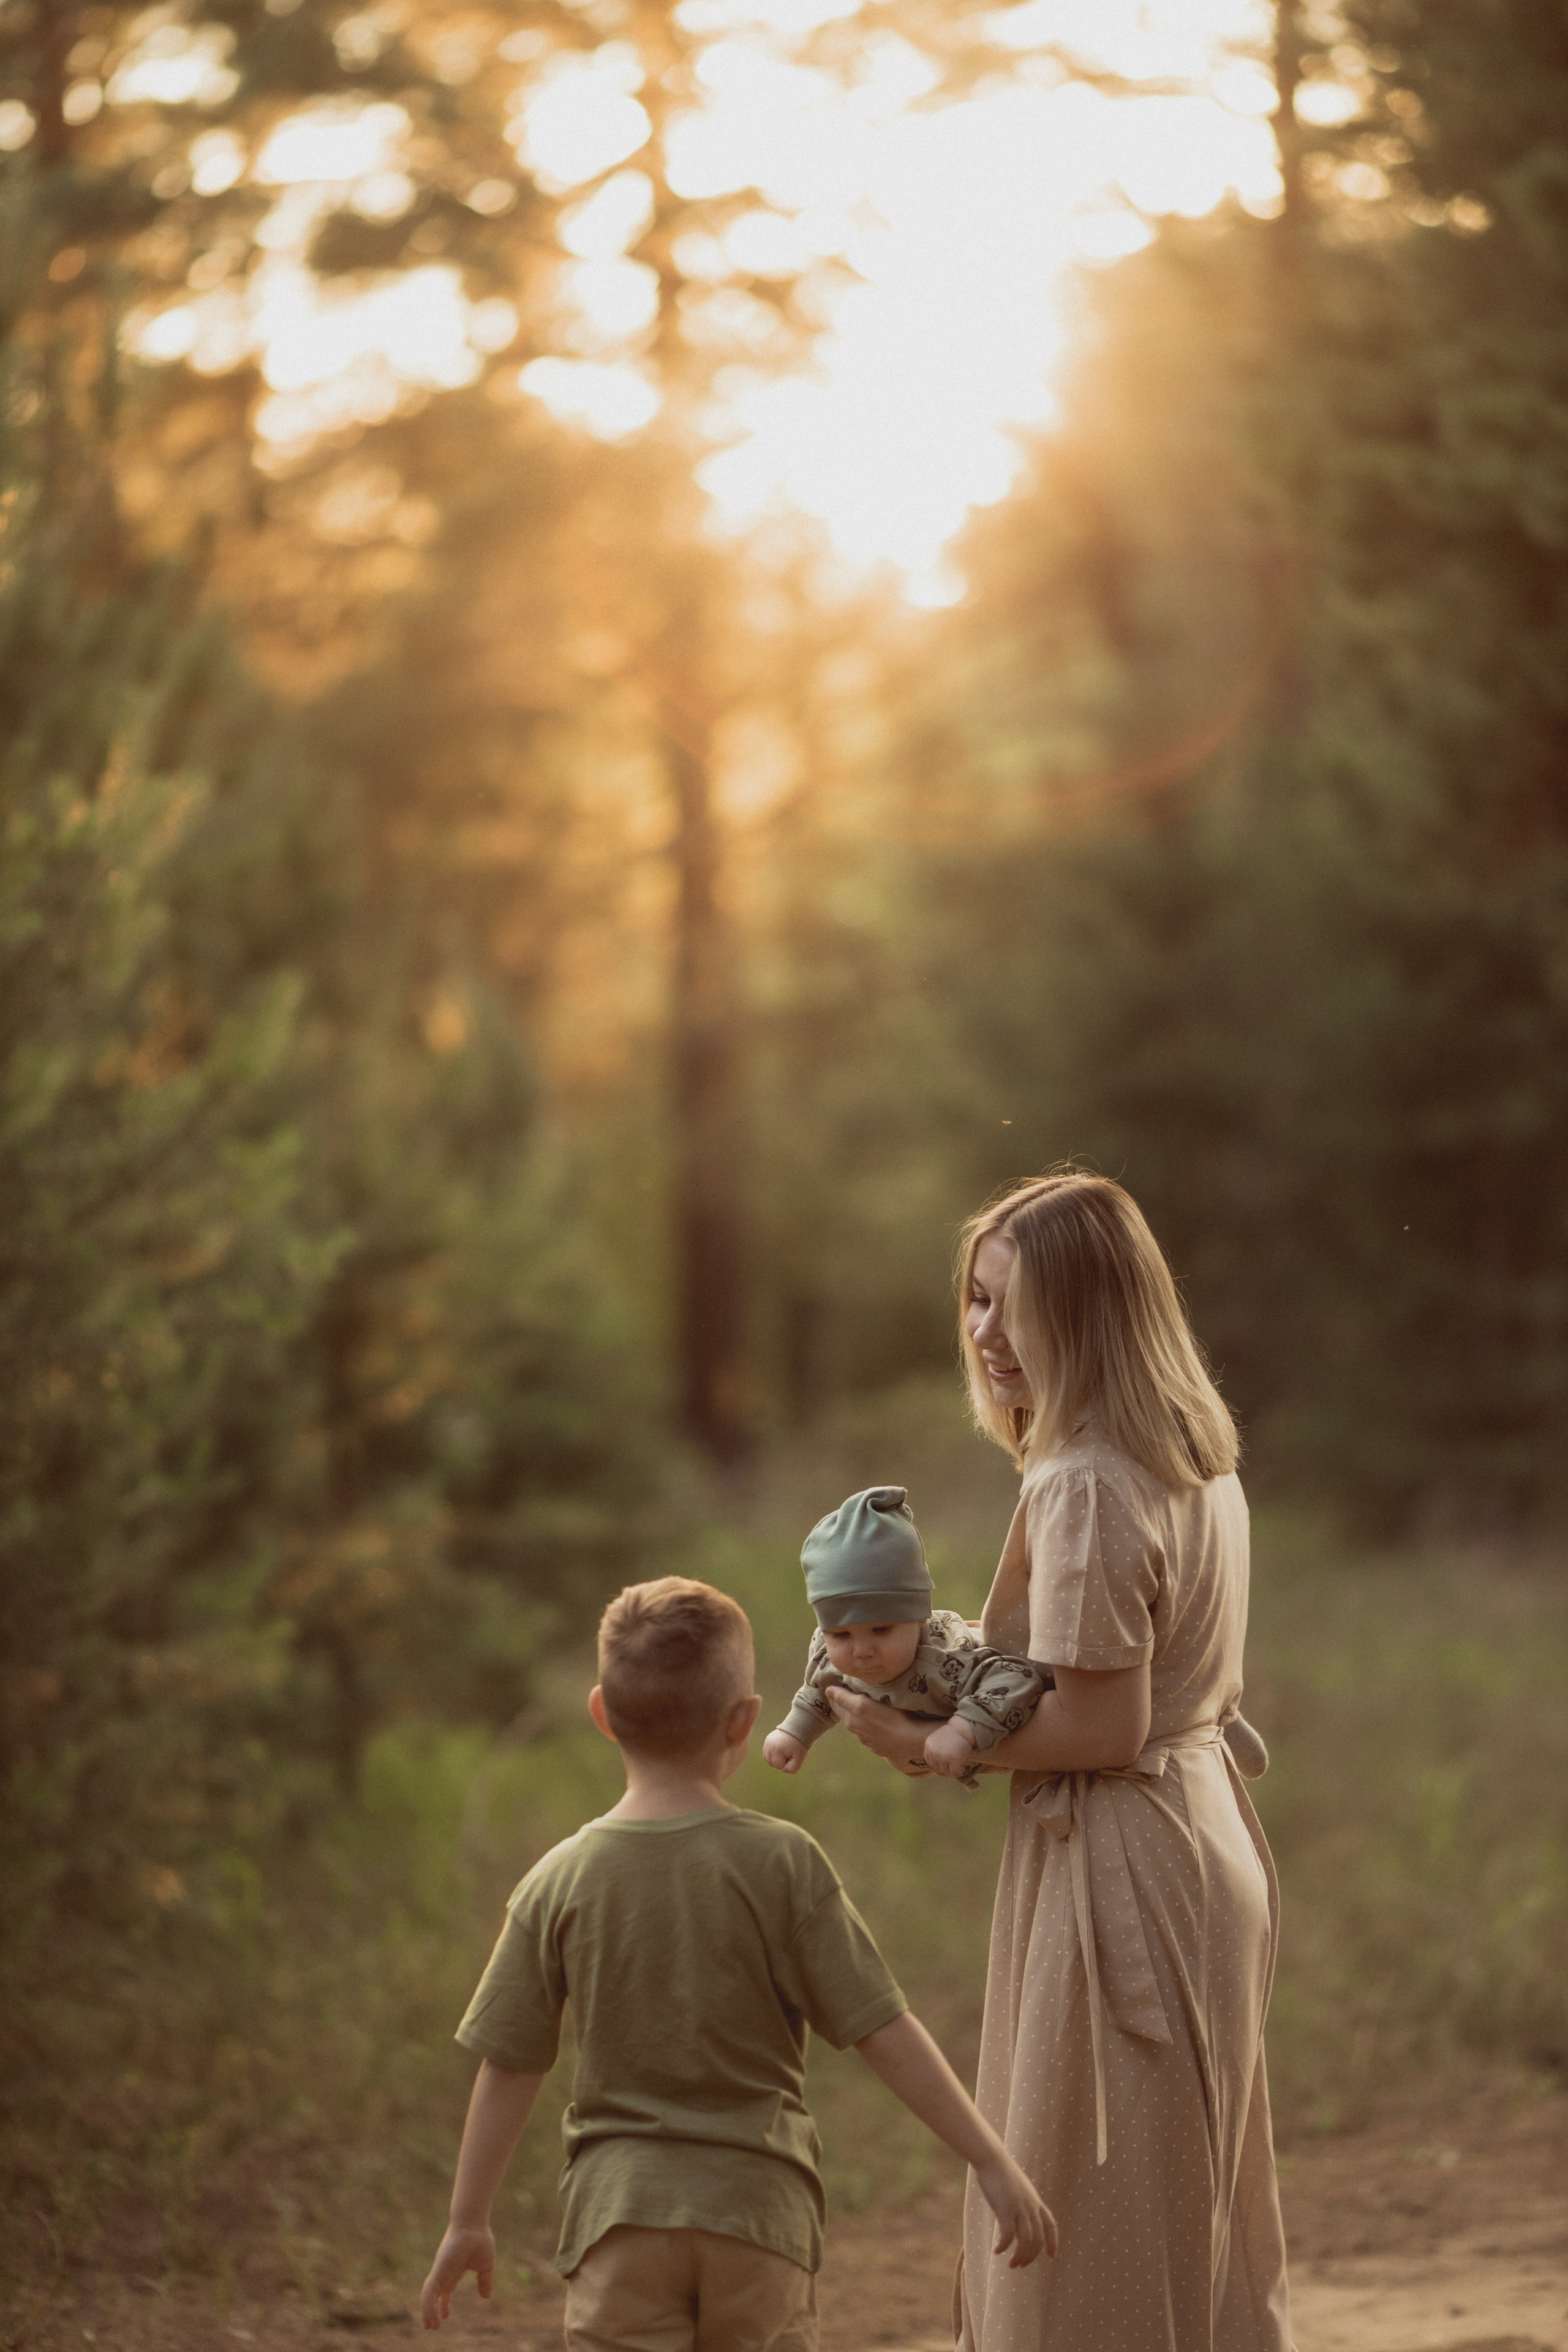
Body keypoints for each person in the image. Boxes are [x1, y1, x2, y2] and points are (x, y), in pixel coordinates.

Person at [826, 1172, 1294, 2352]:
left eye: (1013, 1306)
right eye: (975, 1302)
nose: (984, 1334)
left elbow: (1105, 1728)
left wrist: (924, 1750)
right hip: (1200, 1839)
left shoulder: (1087, 1475)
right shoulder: (1189, 1450)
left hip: (1129, 1857)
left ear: (1087, 1314)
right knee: (1179, 2204)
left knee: (1094, 2214)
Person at [418, 1575, 1055, 2352]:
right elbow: (882, 2029)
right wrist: (989, 2159)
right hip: (760, 2216)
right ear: (745, 1722)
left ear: (599, 1715)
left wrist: (467, 2221)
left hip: (619, 2220)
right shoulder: (783, 1863)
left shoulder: (557, 1879)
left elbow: (508, 2064)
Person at [763, 1483, 1047, 1784]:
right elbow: (820, 1689)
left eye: (881, 1630)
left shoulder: (949, 1661)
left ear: (920, 1618)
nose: (861, 1651)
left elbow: (1019, 1678)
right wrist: (794, 1731)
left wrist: (960, 1731)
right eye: (841, 1635)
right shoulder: (829, 1652)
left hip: (1047, 1755)